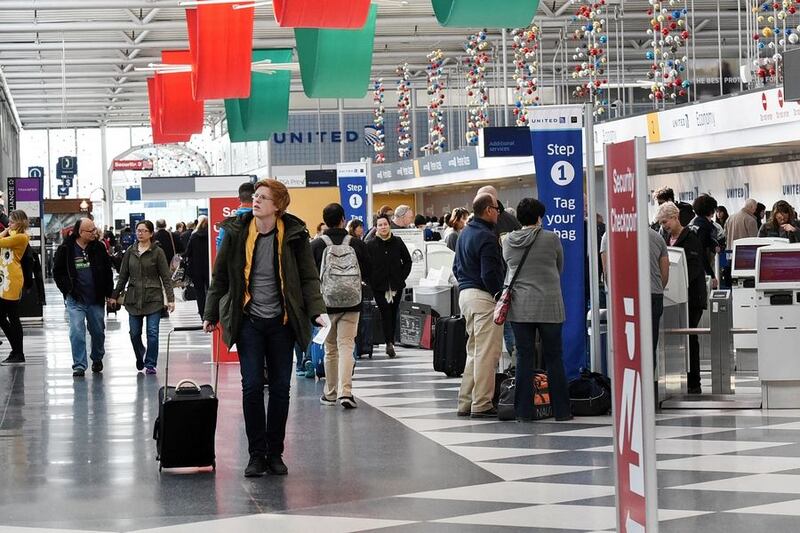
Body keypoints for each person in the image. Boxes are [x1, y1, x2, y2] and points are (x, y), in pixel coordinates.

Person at [203, 178, 327, 478]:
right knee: (252, 387)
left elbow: (308, 279)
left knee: (282, 389)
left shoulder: (295, 235)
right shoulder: (236, 232)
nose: (255, 201)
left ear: (278, 206)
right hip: (249, 322)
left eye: (262, 197)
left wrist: (318, 312)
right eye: (255, 196)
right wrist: (210, 312)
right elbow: (220, 276)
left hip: (282, 324)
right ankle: (256, 454)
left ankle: (276, 453)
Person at [503, 198, 572, 421]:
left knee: (524, 357)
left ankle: (524, 412)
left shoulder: (507, 241)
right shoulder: (551, 239)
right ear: (539, 217)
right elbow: (560, 267)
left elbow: (510, 268)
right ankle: (562, 411)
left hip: (520, 307)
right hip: (549, 306)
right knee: (554, 357)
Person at [311, 203, 371, 409]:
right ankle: (346, 392)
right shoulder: (356, 243)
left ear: (324, 220)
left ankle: (330, 393)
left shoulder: (317, 245)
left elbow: (309, 277)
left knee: (330, 350)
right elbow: (368, 271)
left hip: (325, 305)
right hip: (352, 303)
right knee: (347, 346)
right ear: (343, 219)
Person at [453, 194, 505, 418]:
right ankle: (482, 402)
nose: (499, 212)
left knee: (474, 351)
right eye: (496, 208)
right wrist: (499, 295)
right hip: (483, 297)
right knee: (487, 353)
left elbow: (455, 267)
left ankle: (465, 401)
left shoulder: (464, 233)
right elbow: (489, 273)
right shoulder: (487, 236)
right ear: (488, 210)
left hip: (465, 295)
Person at [110, 220, 175, 375]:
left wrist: (171, 299)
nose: (140, 233)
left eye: (144, 231)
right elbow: (123, 276)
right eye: (138, 230)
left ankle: (150, 363)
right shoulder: (130, 252)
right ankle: (140, 354)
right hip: (133, 298)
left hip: (153, 298)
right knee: (134, 333)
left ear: (151, 233)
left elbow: (166, 277)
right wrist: (114, 295)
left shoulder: (158, 252)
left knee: (152, 332)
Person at [53, 218, 114, 377]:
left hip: (96, 298)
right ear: (80, 232)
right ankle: (79, 365)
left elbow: (107, 271)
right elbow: (57, 272)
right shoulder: (66, 249)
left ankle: (97, 357)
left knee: (98, 331)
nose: (95, 233)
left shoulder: (98, 248)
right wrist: (67, 289)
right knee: (77, 331)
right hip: (75, 299)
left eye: (94, 229)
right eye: (91, 231)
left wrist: (110, 293)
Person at [600, 227, 669, 364]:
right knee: (649, 345)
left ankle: (630, 383)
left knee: (627, 346)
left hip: (624, 296)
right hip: (653, 295)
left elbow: (607, 272)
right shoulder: (657, 237)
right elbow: (665, 273)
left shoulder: (609, 236)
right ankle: (649, 383)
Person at [658, 202, 706, 394]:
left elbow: (694, 268)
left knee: (690, 336)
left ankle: (695, 382)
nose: (664, 225)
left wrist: (679, 283)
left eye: (666, 221)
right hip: (673, 297)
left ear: (675, 217)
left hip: (692, 297)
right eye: (661, 223)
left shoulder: (691, 238)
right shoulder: (666, 239)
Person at [365, 214, 412, 358]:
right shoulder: (370, 244)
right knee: (385, 313)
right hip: (379, 287)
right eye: (380, 225)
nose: (383, 227)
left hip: (396, 285)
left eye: (385, 224)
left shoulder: (397, 241)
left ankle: (390, 341)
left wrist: (401, 277)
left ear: (389, 225)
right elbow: (366, 266)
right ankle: (389, 343)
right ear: (376, 227)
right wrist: (371, 281)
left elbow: (407, 261)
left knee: (393, 313)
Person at [0, 210, 31, 365]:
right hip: (4, 279)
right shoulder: (12, 235)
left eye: (12, 222)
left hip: (12, 280)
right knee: (11, 317)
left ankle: (17, 351)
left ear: (20, 222)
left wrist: (5, 231)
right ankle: (17, 351)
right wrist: (7, 230)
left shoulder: (21, 237)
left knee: (10, 316)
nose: (8, 224)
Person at [689, 194, 721, 287]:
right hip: (700, 270)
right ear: (711, 210)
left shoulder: (694, 223)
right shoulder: (705, 227)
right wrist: (711, 275)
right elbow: (701, 251)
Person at [216, 181, 255, 249]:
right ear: (255, 198)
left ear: (239, 198)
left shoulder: (227, 223)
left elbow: (220, 249)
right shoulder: (261, 220)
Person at [185, 215, 210, 318]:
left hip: (196, 269)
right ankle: (210, 313)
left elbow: (188, 252)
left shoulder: (194, 236)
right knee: (211, 291)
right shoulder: (210, 235)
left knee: (199, 293)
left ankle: (202, 314)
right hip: (209, 268)